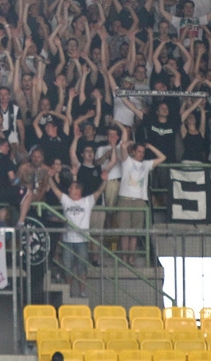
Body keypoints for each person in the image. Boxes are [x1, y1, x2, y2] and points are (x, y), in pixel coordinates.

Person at [48, 171, 107, 297]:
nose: (69, 189)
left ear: (77, 190)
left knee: (82, 267)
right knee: (67, 267)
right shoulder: (66, 201)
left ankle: (82, 291)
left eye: (71, 188)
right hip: (67, 240)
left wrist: (105, 180)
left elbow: (99, 192)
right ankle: (69, 290)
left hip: (82, 241)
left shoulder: (87, 201)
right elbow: (54, 189)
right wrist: (49, 177)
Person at [117, 124, 166, 265]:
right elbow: (122, 147)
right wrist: (132, 143)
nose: (141, 154)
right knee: (125, 232)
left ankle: (131, 257)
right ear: (133, 152)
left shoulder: (146, 164)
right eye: (139, 151)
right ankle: (124, 257)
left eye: (142, 152)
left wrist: (149, 147)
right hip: (125, 199)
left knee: (135, 232)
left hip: (139, 200)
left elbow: (163, 157)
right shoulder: (127, 162)